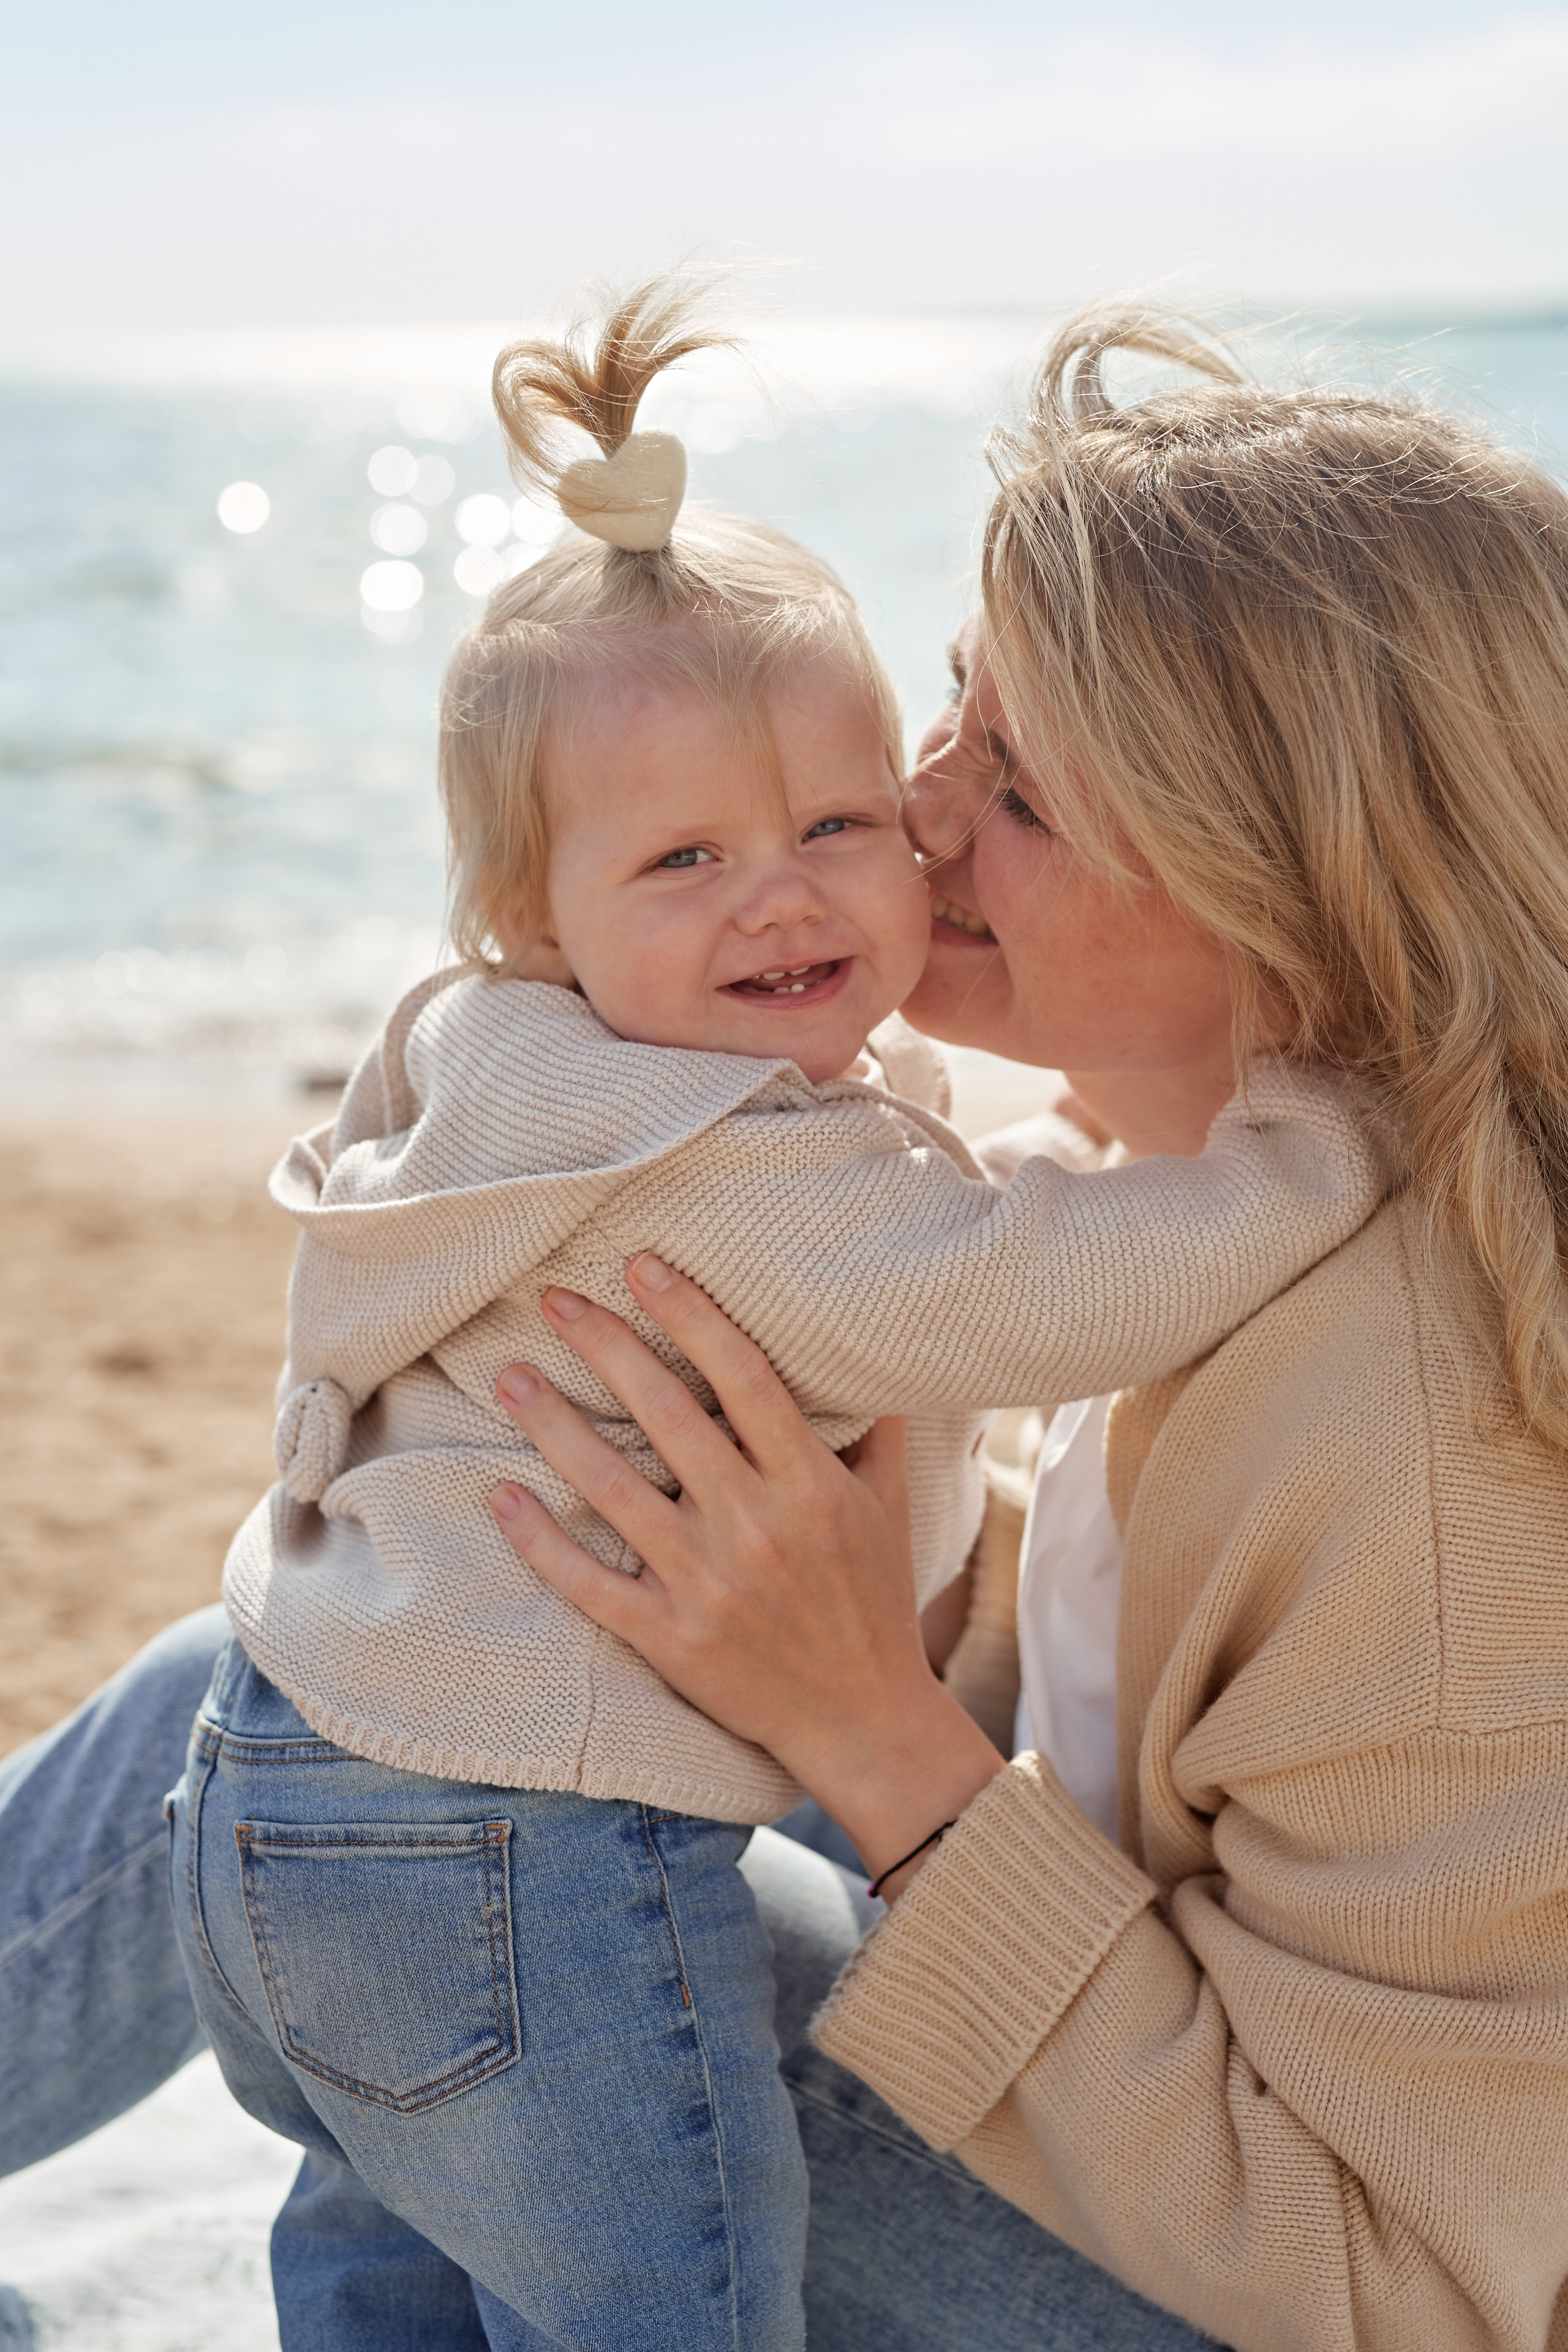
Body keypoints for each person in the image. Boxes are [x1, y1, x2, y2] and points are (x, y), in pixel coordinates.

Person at [3, 300, 1566, 2352]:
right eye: (952, 706)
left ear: (1282, 883)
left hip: (1235, 2287)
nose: (915, 810)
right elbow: (1113, 1680)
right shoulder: (1124, 1184)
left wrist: (872, 1736)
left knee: (464, 1888)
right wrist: (828, 1598)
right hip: (1079, 2018)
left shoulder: (1434, 1469)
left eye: (1020, 787)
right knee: (313, 1679)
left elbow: (1414, 2287)